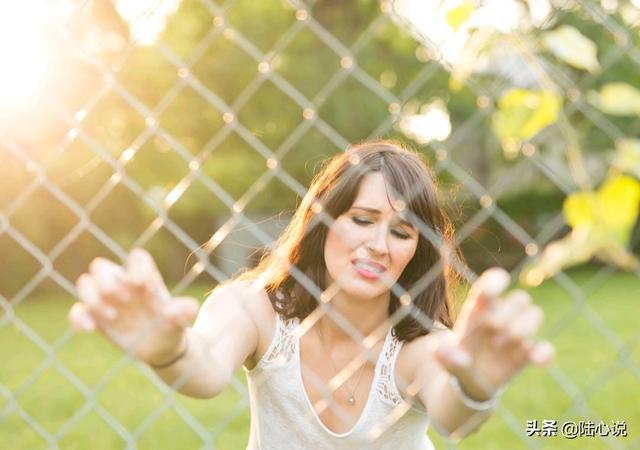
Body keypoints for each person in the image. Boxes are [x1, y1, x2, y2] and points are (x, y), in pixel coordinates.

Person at [68, 140, 555, 449]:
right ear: (322, 222)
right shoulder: (253, 307)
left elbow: (454, 418)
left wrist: (475, 386)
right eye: (362, 220)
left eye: (402, 233)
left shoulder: (419, 345)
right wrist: (168, 350)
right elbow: (205, 369)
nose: (378, 246)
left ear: (418, 251)